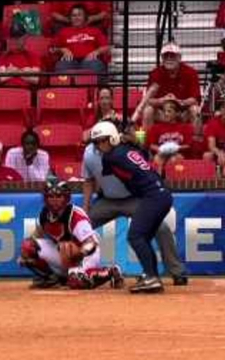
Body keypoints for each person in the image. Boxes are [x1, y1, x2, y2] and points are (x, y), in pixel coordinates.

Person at [81, 123, 188, 286]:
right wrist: (86, 207)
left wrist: (136, 142)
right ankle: (71, 269)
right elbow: (90, 180)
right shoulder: (94, 154)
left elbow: (140, 159)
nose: (99, 145)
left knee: (159, 230)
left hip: (135, 198)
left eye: (102, 140)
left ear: (113, 137)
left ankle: (175, 272)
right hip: (108, 200)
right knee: (80, 226)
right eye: (96, 141)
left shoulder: (116, 154)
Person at [18, 178, 124, 290]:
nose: (54, 200)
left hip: (86, 253)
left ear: (66, 198)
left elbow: (91, 244)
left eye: (59, 196)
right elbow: (36, 236)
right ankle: (51, 279)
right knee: (28, 246)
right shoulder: (44, 215)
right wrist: (27, 257)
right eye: (51, 196)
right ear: (46, 198)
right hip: (64, 252)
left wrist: (78, 253)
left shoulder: (75, 216)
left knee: (75, 282)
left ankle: (110, 272)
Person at [141, 42, 201, 130]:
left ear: (179, 58)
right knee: (148, 110)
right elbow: (148, 100)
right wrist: (161, 101)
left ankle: (197, 141)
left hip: (182, 112)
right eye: (166, 56)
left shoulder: (191, 73)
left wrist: (178, 102)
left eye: (172, 56)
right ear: (162, 58)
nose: (169, 58)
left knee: (195, 110)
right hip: (162, 112)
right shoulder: (155, 74)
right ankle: (147, 142)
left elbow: (195, 99)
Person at [51, 4, 110, 74]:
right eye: (74, 15)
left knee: (97, 66)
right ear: (70, 18)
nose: (76, 18)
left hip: (89, 60)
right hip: (69, 60)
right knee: (61, 66)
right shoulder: (63, 31)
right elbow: (52, 49)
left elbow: (107, 47)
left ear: (85, 17)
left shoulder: (95, 30)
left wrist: (97, 52)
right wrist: (62, 49)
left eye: (79, 15)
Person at [147, 99, 194, 166]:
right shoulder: (156, 127)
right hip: (161, 153)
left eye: (169, 111)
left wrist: (176, 148)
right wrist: (161, 149)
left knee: (173, 159)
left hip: (178, 154)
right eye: (164, 111)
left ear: (177, 113)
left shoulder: (186, 127)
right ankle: (157, 176)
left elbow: (188, 145)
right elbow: (151, 145)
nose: (166, 114)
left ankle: (170, 176)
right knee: (157, 158)